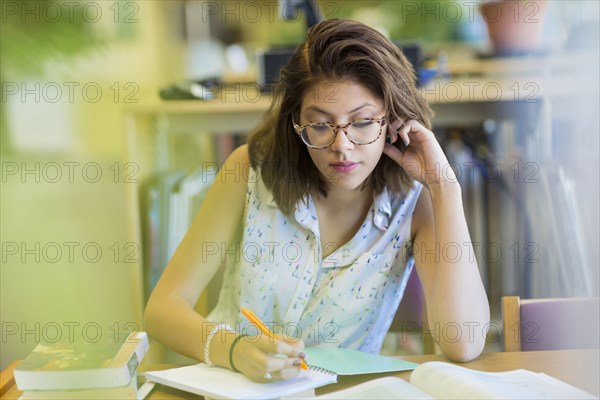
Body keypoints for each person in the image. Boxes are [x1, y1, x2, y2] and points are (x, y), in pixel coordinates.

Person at [145, 18, 490, 383]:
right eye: (322, 125)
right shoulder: (248, 170)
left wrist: (445, 188)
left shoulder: (415, 203)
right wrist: (233, 350)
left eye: (362, 122)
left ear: (394, 120)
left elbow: (463, 344)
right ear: (296, 122)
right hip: (232, 388)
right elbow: (163, 309)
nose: (341, 146)